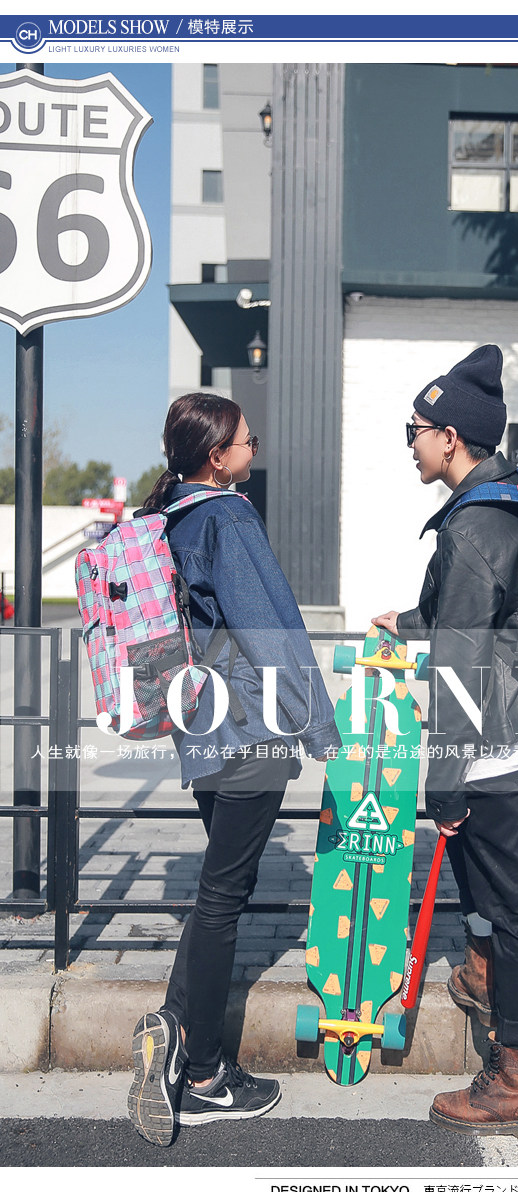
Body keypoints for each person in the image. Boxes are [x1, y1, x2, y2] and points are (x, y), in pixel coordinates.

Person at [127, 393, 341, 1145]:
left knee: (219, 890)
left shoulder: (172, 517)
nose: (257, 446)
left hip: (200, 727)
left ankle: (174, 1031)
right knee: (223, 897)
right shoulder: (228, 517)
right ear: (217, 457)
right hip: (250, 728)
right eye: (248, 440)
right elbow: (271, 629)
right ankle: (204, 1073)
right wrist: (319, 726)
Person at [373, 344, 518, 1139]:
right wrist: (409, 620)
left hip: (484, 731)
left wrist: (442, 779)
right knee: (490, 876)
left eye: (413, 432)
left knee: (514, 900)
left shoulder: (475, 522)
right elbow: (480, 614)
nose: (409, 445)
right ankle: (483, 975)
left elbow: (461, 657)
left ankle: (515, 1080)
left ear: (449, 437)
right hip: (510, 718)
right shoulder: (500, 504)